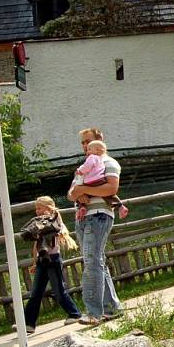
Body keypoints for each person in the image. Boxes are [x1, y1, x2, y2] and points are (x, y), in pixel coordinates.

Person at [68, 128, 123, 326]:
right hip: (82, 217)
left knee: (91, 262)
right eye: (82, 142)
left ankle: (93, 312)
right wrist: (78, 192)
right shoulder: (84, 166)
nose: (84, 146)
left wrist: (84, 189)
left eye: (88, 141)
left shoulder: (108, 162)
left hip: (99, 216)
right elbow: (71, 193)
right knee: (96, 260)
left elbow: (111, 188)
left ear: (99, 141)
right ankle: (112, 307)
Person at [14, 196, 82, 334]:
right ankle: (28, 324)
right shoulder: (38, 224)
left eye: (40, 208)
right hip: (41, 261)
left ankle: (74, 313)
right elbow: (36, 245)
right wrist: (34, 262)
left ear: (48, 208)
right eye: (36, 209)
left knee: (58, 290)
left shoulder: (55, 222)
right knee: (36, 293)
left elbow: (61, 231)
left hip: (53, 259)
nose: (37, 211)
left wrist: (53, 215)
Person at [72, 140, 128, 220]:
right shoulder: (100, 159)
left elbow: (87, 167)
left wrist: (80, 170)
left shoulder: (92, 157)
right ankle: (120, 206)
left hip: (92, 181)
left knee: (84, 195)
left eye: (89, 149)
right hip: (100, 180)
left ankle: (82, 207)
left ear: (98, 150)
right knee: (108, 196)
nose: (87, 151)